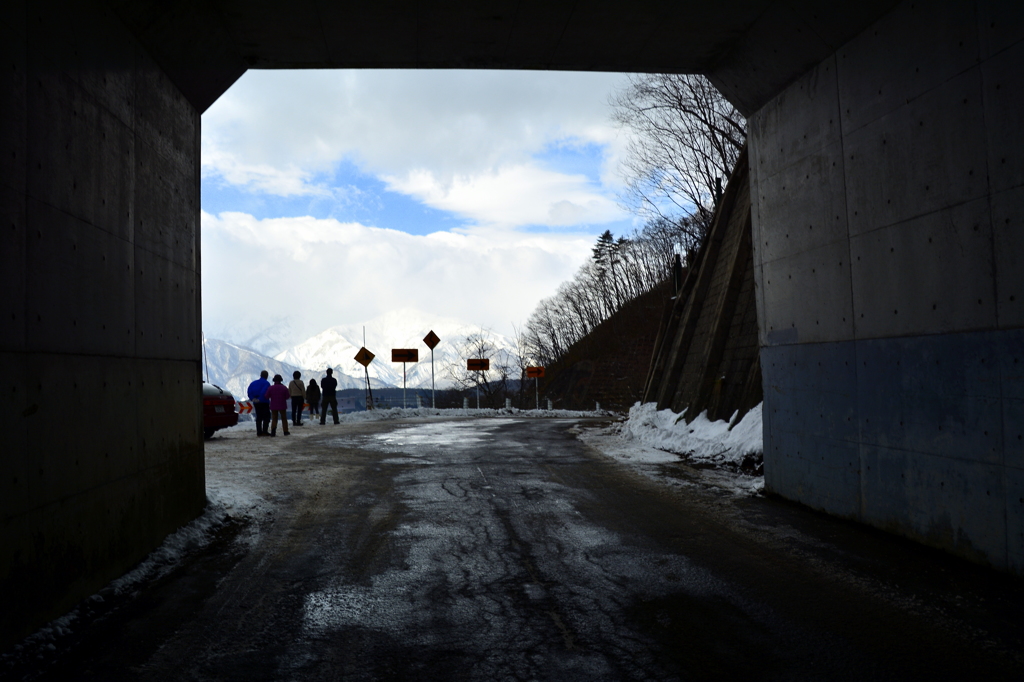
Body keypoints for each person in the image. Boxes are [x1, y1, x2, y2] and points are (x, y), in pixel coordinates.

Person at [246, 370, 271, 437]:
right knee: (266, 417)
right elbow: (264, 392)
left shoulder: (253, 383)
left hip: (256, 403)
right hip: (264, 402)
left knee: (259, 416)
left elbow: (249, 391)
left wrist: (253, 399)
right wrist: (260, 399)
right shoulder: (266, 383)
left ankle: (259, 432)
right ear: (267, 376)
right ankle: (265, 431)